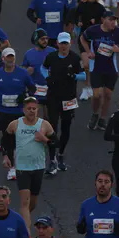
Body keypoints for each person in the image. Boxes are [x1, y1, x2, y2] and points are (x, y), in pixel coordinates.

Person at [2, 97, 55, 233]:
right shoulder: (15, 124)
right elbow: (5, 141)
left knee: (33, 203)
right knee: (24, 203)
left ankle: (20, 221)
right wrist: (6, 156)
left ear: (38, 109)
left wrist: (45, 140)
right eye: (29, 109)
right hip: (22, 168)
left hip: (38, 167)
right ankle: (27, 235)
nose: (32, 111)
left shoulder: (45, 125)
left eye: (34, 108)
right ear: (23, 110)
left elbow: (56, 144)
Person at [42, 32, 86, 173]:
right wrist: (46, 77)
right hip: (53, 97)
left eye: (66, 43)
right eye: (61, 43)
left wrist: (74, 76)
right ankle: (52, 158)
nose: (63, 46)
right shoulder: (51, 57)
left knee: (66, 128)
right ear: (57, 44)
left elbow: (83, 75)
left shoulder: (75, 58)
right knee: (52, 128)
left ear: (70, 44)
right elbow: (43, 68)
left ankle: (60, 154)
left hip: (69, 98)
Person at [81, 10, 119, 130]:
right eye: (110, 20)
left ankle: (102, 118)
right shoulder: (94, 30)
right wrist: (88, 51)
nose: (113, 22)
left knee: (108, 95)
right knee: (97, 95)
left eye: (115, 20)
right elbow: (82, 38)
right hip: (96, 67)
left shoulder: (118, 32)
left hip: (111, 68)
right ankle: (95, 114)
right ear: (103, 20)